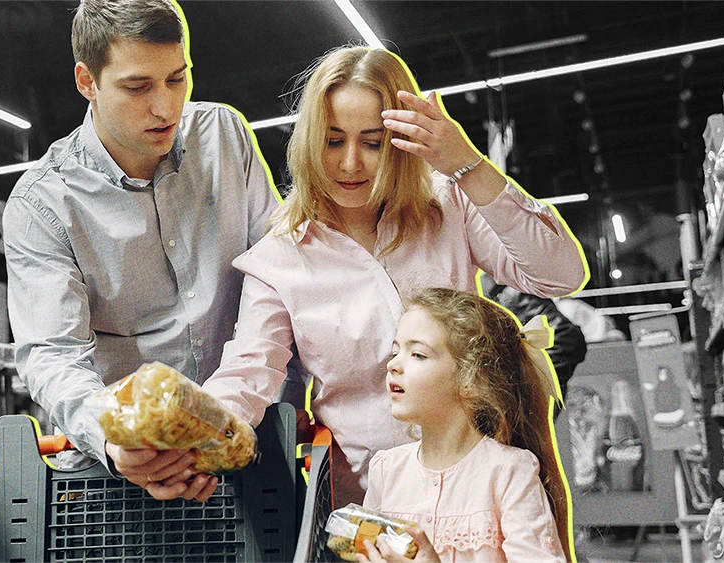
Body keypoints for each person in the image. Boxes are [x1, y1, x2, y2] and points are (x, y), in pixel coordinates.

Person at [202, 46, 587, 505]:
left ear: (402, 142)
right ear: (308, 140)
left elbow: (561, 274)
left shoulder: (449, 207)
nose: (350, 164)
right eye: (333, 139)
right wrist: (190, 436)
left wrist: (468, 165)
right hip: (369, 511)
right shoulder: (281, 258)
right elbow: (248, 371)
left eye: (372, 142)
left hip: (479, 492)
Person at [2, 0, 280, 502]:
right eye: (138, 87)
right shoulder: (41, 204)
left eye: (177, 78)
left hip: (248, 442)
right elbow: (53, 354)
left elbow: (275, 280)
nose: (166, 106)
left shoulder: (223, 135)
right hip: (128, 479)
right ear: (87, 81)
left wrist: (235, 408)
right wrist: (115, 443)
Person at [358, 287, 572, 563]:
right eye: (396, 351)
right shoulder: (386, 471)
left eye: (418, 355)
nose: (393, 365)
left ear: (472, 380)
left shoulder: (509, 473)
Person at [481, 272, 588, 397]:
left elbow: (565, 339)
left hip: (518, 405)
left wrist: (526, 388)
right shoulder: (501, 297)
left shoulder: (511, 295)